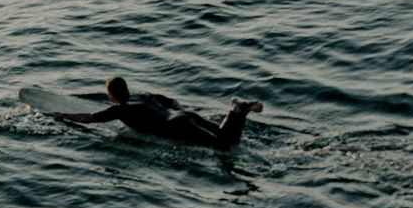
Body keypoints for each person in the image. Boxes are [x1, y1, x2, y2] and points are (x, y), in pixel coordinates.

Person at [50, 77, 263, 150]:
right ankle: (237, 113)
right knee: (223, 136)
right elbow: (172, 101)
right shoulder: (143, 96)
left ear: (112, 95)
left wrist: (59, 116)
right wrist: (181, 113)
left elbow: (88, 119)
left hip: (176, 127)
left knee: (224, 146)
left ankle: (238, 111)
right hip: (185, 115)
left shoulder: (120, 109)